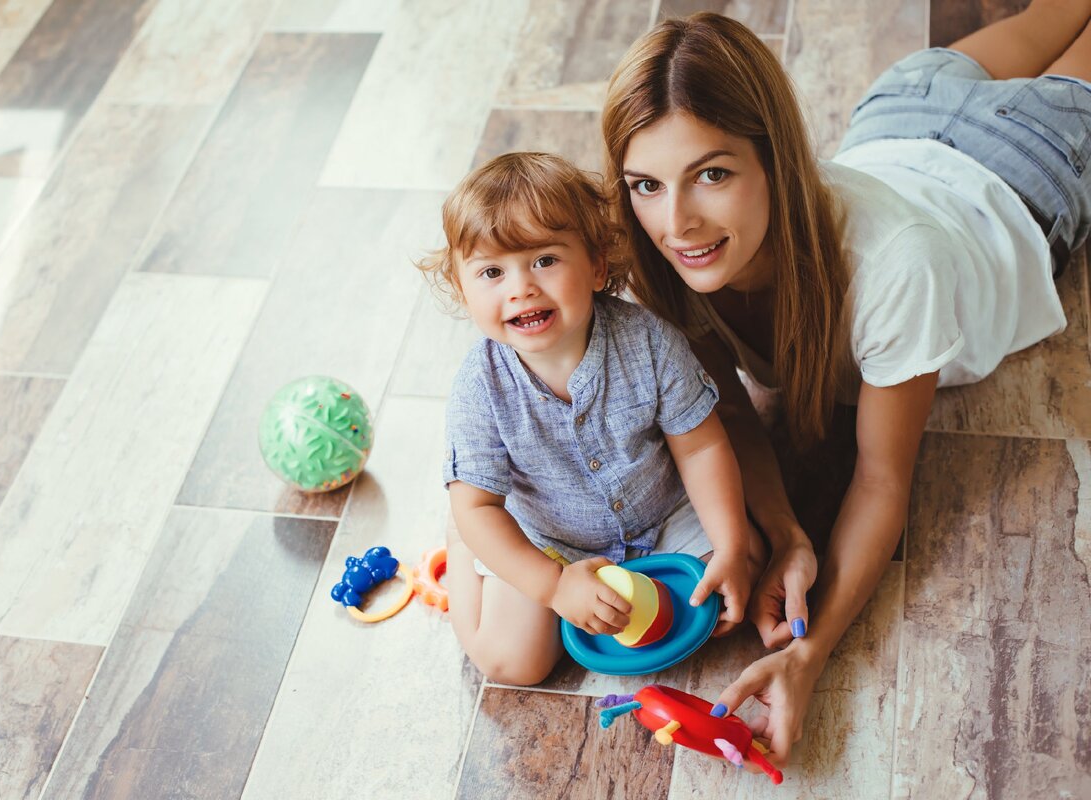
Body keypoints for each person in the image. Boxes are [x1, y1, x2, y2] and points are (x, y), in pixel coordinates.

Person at [601, 4, 1090, 767]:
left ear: (775, 160)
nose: (678, 223)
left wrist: (811, 651)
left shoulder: (897, 268)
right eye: (647, 183)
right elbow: (723, 406)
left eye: (713, 174)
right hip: (902, 112)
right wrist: (786, 530)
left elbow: (883, 479)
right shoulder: (662, 258)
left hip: (1021, 174)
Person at [415, 152, 765, 685]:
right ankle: (465, 551)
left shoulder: (649, 342)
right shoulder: (478, 388)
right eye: (491, 272)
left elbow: (701, 448)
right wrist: (554, 587)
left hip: (660, 514)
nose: (521, 288)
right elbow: (484, 508)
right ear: (464, 292)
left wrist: (733, 546)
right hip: (545, 539)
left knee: (739, 576)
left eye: (545, 260)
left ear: (597, 266)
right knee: (513, 663)